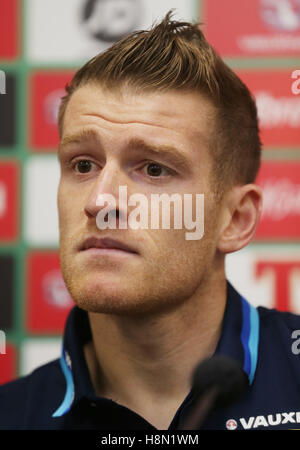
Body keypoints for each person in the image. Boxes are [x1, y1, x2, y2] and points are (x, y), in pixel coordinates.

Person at [1, 11, 300, 431]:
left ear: (234, 219)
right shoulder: (12, 415)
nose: (100, 200)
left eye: (154, 169)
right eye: (83, 164)